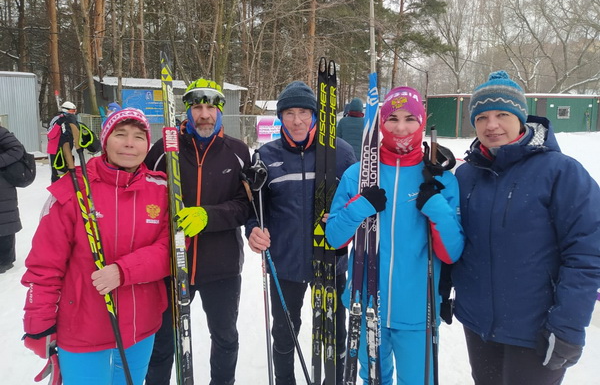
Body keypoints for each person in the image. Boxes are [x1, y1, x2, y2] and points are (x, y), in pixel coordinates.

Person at [452, 70, 600, 384]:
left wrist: (568, 326)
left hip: (537, 329)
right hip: (478, 325)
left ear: (521, 117)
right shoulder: (466, 175)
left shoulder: (561, 172)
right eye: (482, 117)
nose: (491, 125)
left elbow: (587, 254)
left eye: (502, 114)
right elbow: (456, 241)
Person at [325, 86, 464, 385]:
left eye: (410, 119)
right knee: (374, 380)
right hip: (366, 303)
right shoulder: (358, 174)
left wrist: (436, 207)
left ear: (422, 122)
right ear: (381, 123)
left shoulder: (440, 179)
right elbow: (334, 238)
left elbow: (451, 252)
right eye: (393, 119)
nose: (401, 127)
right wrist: (360, 206)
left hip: (417, 309)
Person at [21, 108, 171, 384]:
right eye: (120, 134)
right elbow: (45, 264)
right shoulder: (73, 188)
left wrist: (123, 271)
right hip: (82, 328)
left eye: (139, 137)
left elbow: (172, 249)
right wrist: (38, 322)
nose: (129, 143)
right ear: (105, 140)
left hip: (140, 326)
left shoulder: (161, 190)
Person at [246, 80, 357, 385]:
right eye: (289, 113)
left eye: (304, 113)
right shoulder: (266, 155)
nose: (297, 121)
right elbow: (254, 209)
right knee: (284, 334)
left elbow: (358, 204)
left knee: (334, 334)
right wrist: (253, 230)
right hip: (285, 264)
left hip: (330, 262)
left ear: (315, 115)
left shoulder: (341, 153)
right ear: (280, 117)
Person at [145, 78, 251, 385]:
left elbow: (246, 206)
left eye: (210, 108)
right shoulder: (164, 149)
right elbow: (142, 193)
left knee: (225, 337)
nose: (204, 115)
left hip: (222, 266)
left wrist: (208, 216)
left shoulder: (237, 151)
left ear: (220, 111)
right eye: (197, 108)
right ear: (187, 111)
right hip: (171, 264)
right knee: (162, 341)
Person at [47, 101, 101, 182]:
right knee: (56, 172)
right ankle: (55, 187)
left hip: (67, 149)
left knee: (69, 170)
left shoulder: (73, 120)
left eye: (75, 111)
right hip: (55, 150)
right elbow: (50, 135)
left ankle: (68, 186)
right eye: (72, 111)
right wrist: (59, 123)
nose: (74, 113)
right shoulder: (57, 119)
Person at [0, 124, 26, 273]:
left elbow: (17, 149)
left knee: (4, 222)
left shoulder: (1, 132)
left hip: (3, 184)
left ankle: (6, 263)